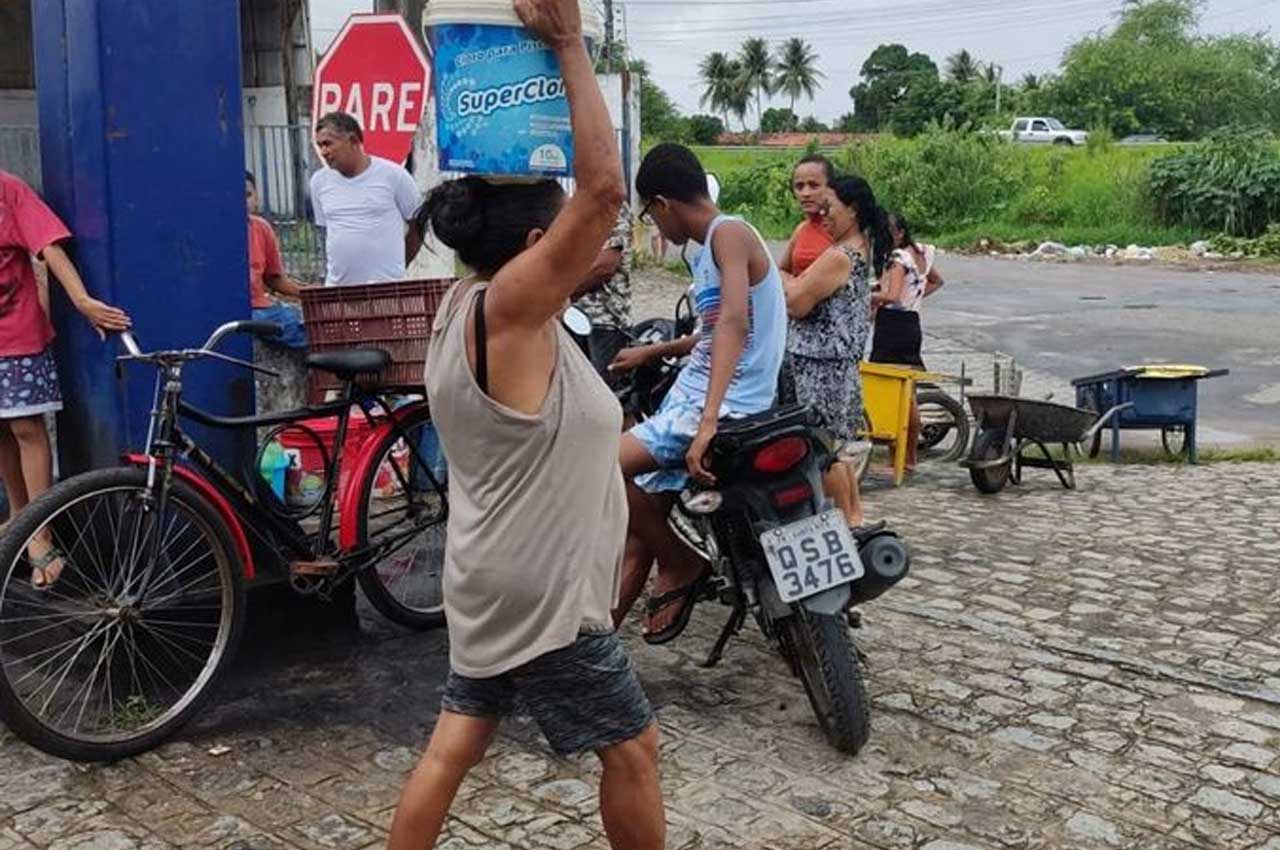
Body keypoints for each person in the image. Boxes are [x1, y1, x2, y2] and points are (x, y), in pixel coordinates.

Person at [384, 1, 663, 848]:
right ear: (542, 242)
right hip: (541, 595)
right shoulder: (508, 311)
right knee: (636, 750)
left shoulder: (468, 305)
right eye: (570, 242)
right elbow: (607, 189)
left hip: (492, 577)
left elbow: (552, 452)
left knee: (456, 744)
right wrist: (571, 46)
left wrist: (668, 451)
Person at [609, 142, 786, 644]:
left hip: (723, 405)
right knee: (641, 514)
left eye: (649, 213)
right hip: (698, 397)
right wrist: (654, 350)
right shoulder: (711, 248)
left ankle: (680, 561)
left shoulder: (727, 232)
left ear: (663, 204)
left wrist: (708, 421)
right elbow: (716, 330)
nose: (655, 226)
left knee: (599, 466)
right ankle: (598, 648)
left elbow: (733, 321)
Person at [0, 169, 132, 586]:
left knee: (25, 427)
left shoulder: (8, 190)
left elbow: (49, 247)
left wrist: (82, 301)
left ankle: (41, 532)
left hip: (17, 335)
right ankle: (19, 515)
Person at [780, 176, 889, 528]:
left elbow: (795, 302)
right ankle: (853, 519)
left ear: (852, 210)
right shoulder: (858, 248)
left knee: (819, 454)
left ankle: (847, 521)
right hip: (834, 368)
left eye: (829, 208)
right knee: (832, 451)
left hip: (821, 369)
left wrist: (778, 277)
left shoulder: (840, 256)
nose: (822, 215)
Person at [309, 111, 421, 286]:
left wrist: (397, 267)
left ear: (353, 140)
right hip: (337, 290)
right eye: (319, 145)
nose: (323, 152)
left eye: (328, 144)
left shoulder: (394, 176)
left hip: (385, 290)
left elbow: (418, 225)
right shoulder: (319, 182)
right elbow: (326, 232)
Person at [870, 213, 945, 473]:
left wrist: (868, 296)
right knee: (908, 393)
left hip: (892, 326)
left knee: (894, 394)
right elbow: (936, 280)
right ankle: (909, 457)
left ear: (899, 233)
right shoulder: (920, 252)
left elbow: (890, 296)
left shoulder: (897, 258)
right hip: (911, 323)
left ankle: (899, 459)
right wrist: (916, 297)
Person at [572, 204, 633, 385]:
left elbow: (605, 267)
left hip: (606, 319)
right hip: (575, 315)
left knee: (609, 391)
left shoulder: (611, 206)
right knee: (578, 387)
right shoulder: (576, 204)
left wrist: (563, 292)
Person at [246, 172, 307, 348]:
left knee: (309, 325)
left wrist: (308, 294)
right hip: (243, 311)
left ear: (257, 198)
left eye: (248, 195)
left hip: (263, 308)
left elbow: (273, 278)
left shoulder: (262, 228)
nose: (243, 201)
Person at [778, 154, 835, 277]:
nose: (806, 193)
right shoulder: (801, 229)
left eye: (814, 185)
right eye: (799, 187)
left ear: (831, 187)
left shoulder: (844, 229)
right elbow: (782, 271)